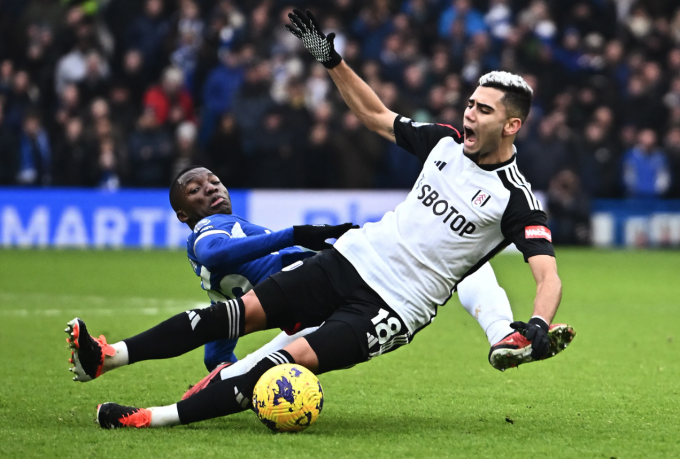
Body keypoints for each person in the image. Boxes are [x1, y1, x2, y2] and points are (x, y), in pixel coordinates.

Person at [67, 10, 574, 429]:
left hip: (393, 309)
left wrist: (535, 326)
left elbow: (547, 274)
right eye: (469, 104)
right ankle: (108, 356)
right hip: (351, 258)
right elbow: (376, 115)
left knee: (278, 363)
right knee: (233, 315)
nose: (468, 115)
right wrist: (330, 60)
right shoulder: (442, 141)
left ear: (511, 125)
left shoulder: (517, 199)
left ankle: (149, 418)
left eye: (483, 111)